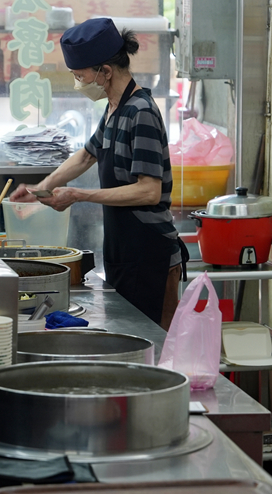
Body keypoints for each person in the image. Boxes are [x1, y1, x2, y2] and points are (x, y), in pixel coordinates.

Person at [10, 18, 187, 327]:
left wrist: (79, 195)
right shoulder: (114, 108)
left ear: (105, 71)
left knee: (152, 344)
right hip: (123, 250)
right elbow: (87, 155)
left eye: (81, 76)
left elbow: (149, 191)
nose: (78, 83)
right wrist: (40, 189)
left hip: (150, 255)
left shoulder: (141, 112)